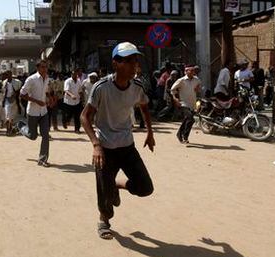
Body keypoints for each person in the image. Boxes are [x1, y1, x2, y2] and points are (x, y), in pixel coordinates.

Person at [81, 42, 155, 240]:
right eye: (129, 61)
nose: (134, 65)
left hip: (127, 147)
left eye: (135, 60)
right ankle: (104, 220)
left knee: (145, 187)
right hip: (105, 147)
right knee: (103, 191)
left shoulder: (137, 86)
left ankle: (116, 186)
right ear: (116, 63)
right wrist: (96, 145)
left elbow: (144, 106)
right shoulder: (101, 88)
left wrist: (150, 132)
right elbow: (85, 117)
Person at [18, 60, 54, 167]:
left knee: (45, 135)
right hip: (33, 112)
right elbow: (22, 94)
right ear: (38, 68)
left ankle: (42, 159)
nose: (45, 69)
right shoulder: (31, 79)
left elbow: (45, 91)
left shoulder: (47, 78)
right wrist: (37, 101)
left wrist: (50, 98)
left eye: (46, 67)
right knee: (33, 136)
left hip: (44, 112)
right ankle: (20, 126)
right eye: (43, 67)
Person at [171, 65, 201, 144]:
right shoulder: (181, 80)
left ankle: (179, 134)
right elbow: (172, 89)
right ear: (186, 71)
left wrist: (198, 89)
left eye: (192, 71)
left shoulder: (196, 80)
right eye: (189, 70)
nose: (191, 72)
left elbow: (199, 88)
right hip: (183, 103)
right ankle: (185, 136)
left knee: (187, 119)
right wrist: (175, 99)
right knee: (190, 118)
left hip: (192, 103)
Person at [0, 70, 22, 135]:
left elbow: (20, 90)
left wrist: (16, 93)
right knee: (7, 116)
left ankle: (10, 128)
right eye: (7, 74)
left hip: (14, 101)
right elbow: (3, 92)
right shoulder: (4, 82)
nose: (8, 75)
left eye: (9, 74)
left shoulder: (17, 82)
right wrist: (3, 101)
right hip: (7, 100)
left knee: (12, 116)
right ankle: (8, 130)